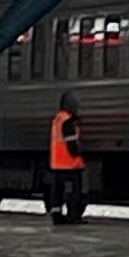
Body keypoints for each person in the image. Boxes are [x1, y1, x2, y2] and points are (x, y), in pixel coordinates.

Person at [49, 91, 87, 225]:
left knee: (57, 191)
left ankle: (56, 215)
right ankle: (73, 216)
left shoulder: (57, 120)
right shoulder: (69, 121)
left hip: (57, 163)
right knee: (73, 192)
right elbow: (71, 143)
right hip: (70, 163)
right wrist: (79, 153)